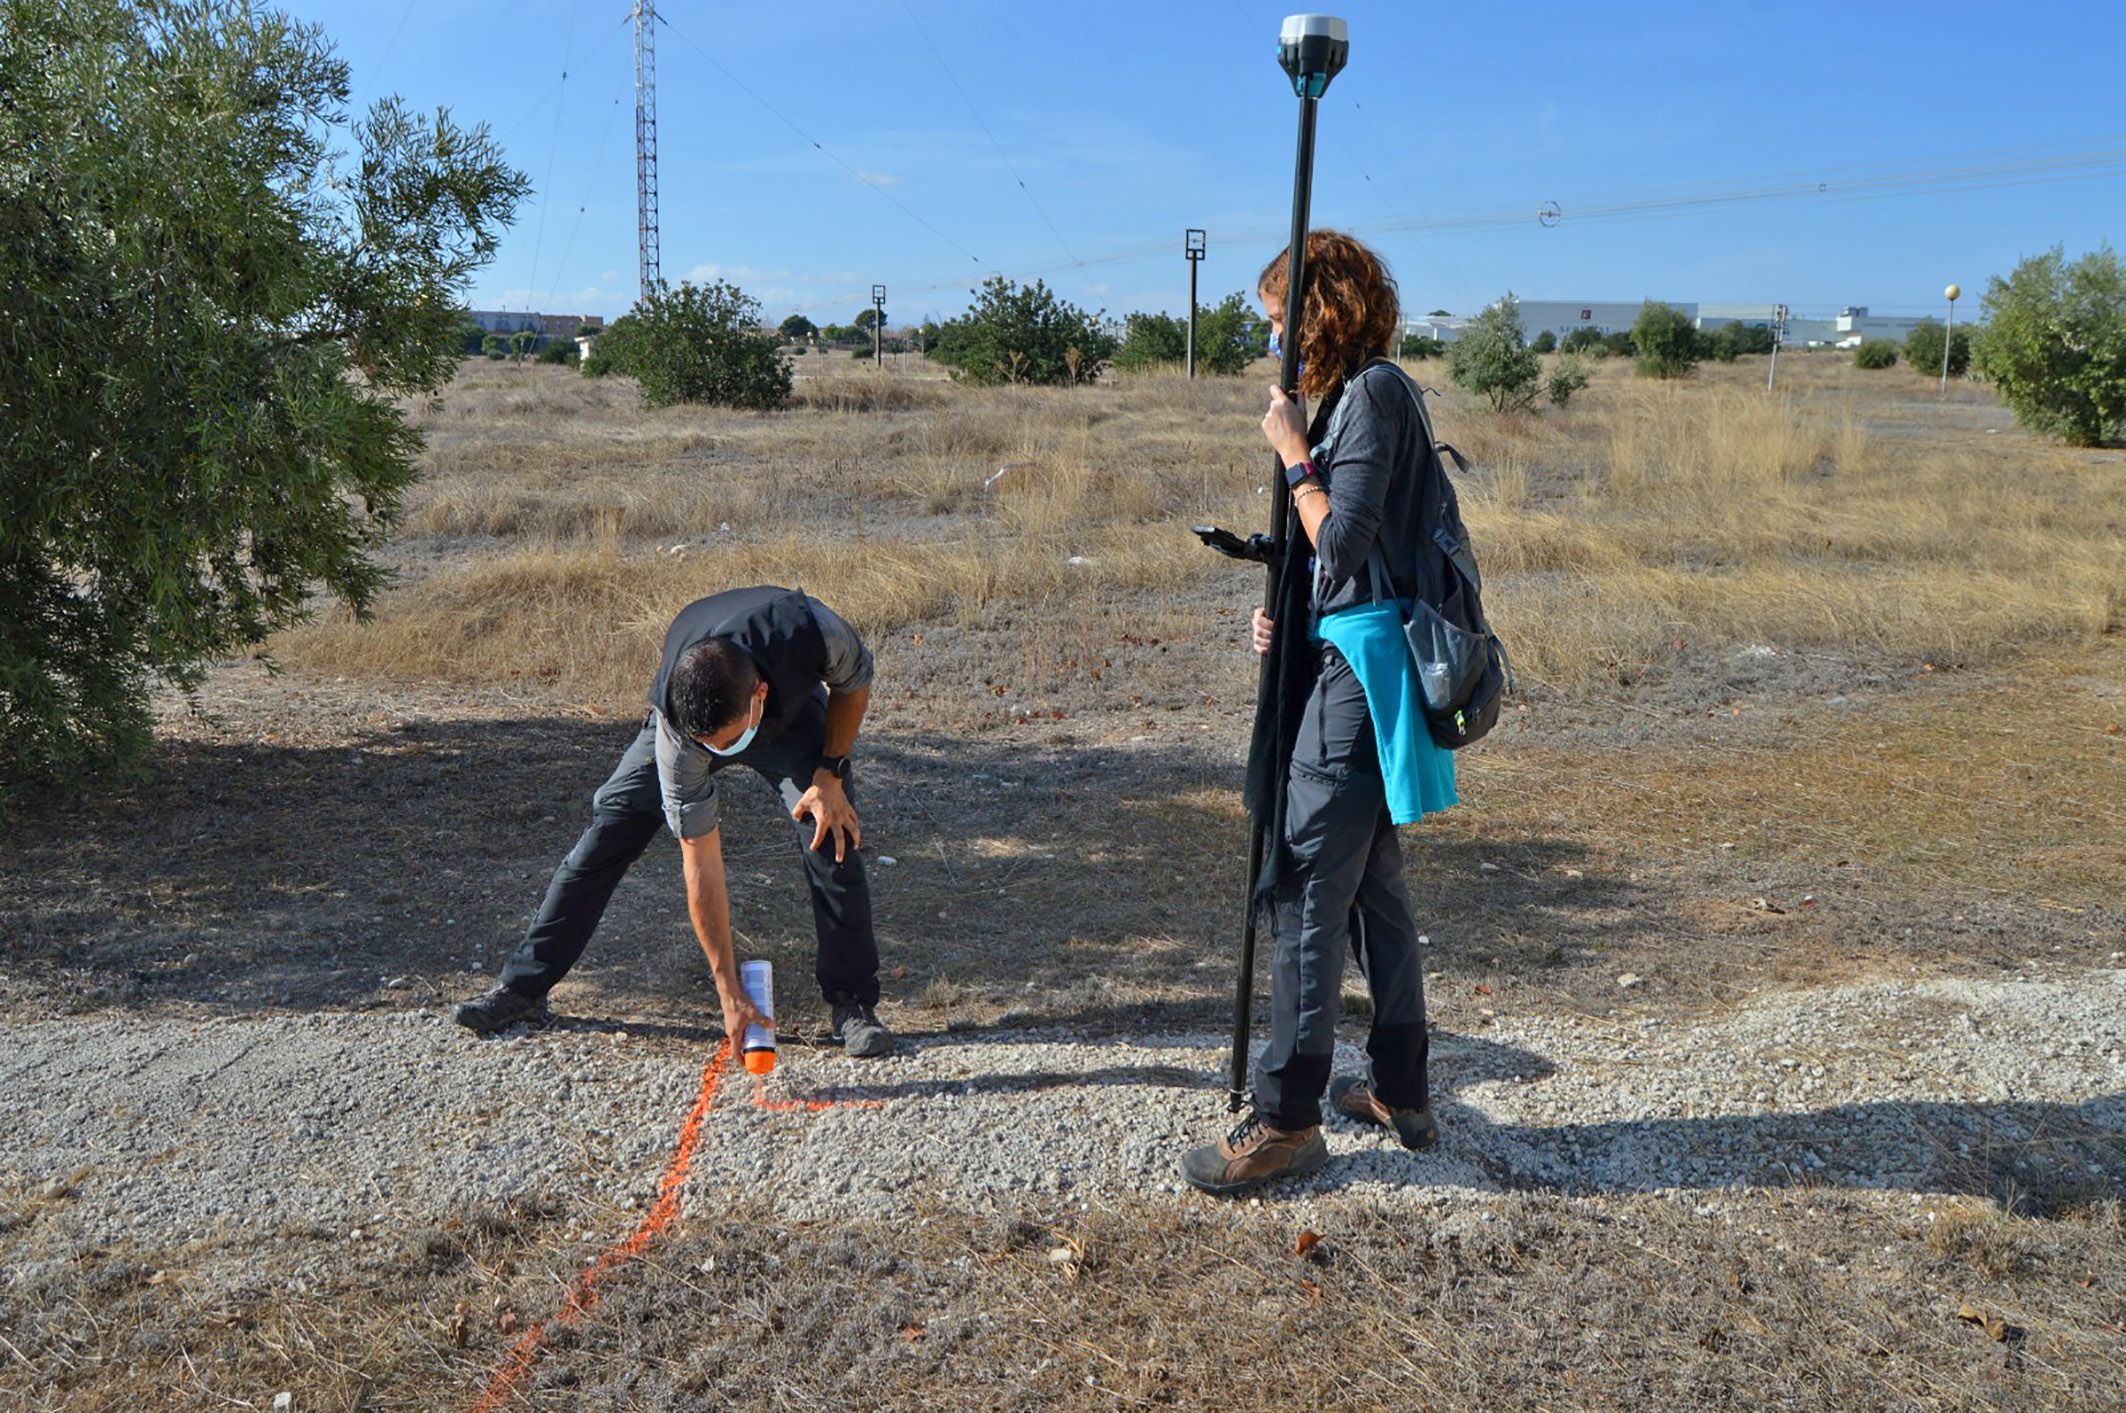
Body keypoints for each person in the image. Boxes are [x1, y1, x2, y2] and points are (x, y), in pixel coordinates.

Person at [1183, 231, 1458, 1195]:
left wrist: (1295, 453)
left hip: (1361, 680)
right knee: (1373, 878)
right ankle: (1400, 1088)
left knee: (1303, 887)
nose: (1273, 342)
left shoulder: (1374, 393)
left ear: (1322, 313)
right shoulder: (1356, 397)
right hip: (1346, 657)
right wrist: (1288, 616)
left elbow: (1340, 544)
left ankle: (1289, 1118)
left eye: (1278, 321)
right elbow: (1330, 566)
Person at [453, 584, 893, 1058]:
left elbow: (854, 684)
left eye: (724, 744)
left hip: (791, 719)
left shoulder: (817, 632)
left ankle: (853, 1004)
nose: (717, 756)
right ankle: (523, 988)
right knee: (610, 828)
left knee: (830, 834)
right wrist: (728, 989)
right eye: (709, 745)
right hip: (699, 721)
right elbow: (700, 857)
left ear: (759, 695)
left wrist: (829, 774)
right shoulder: (682, 733)